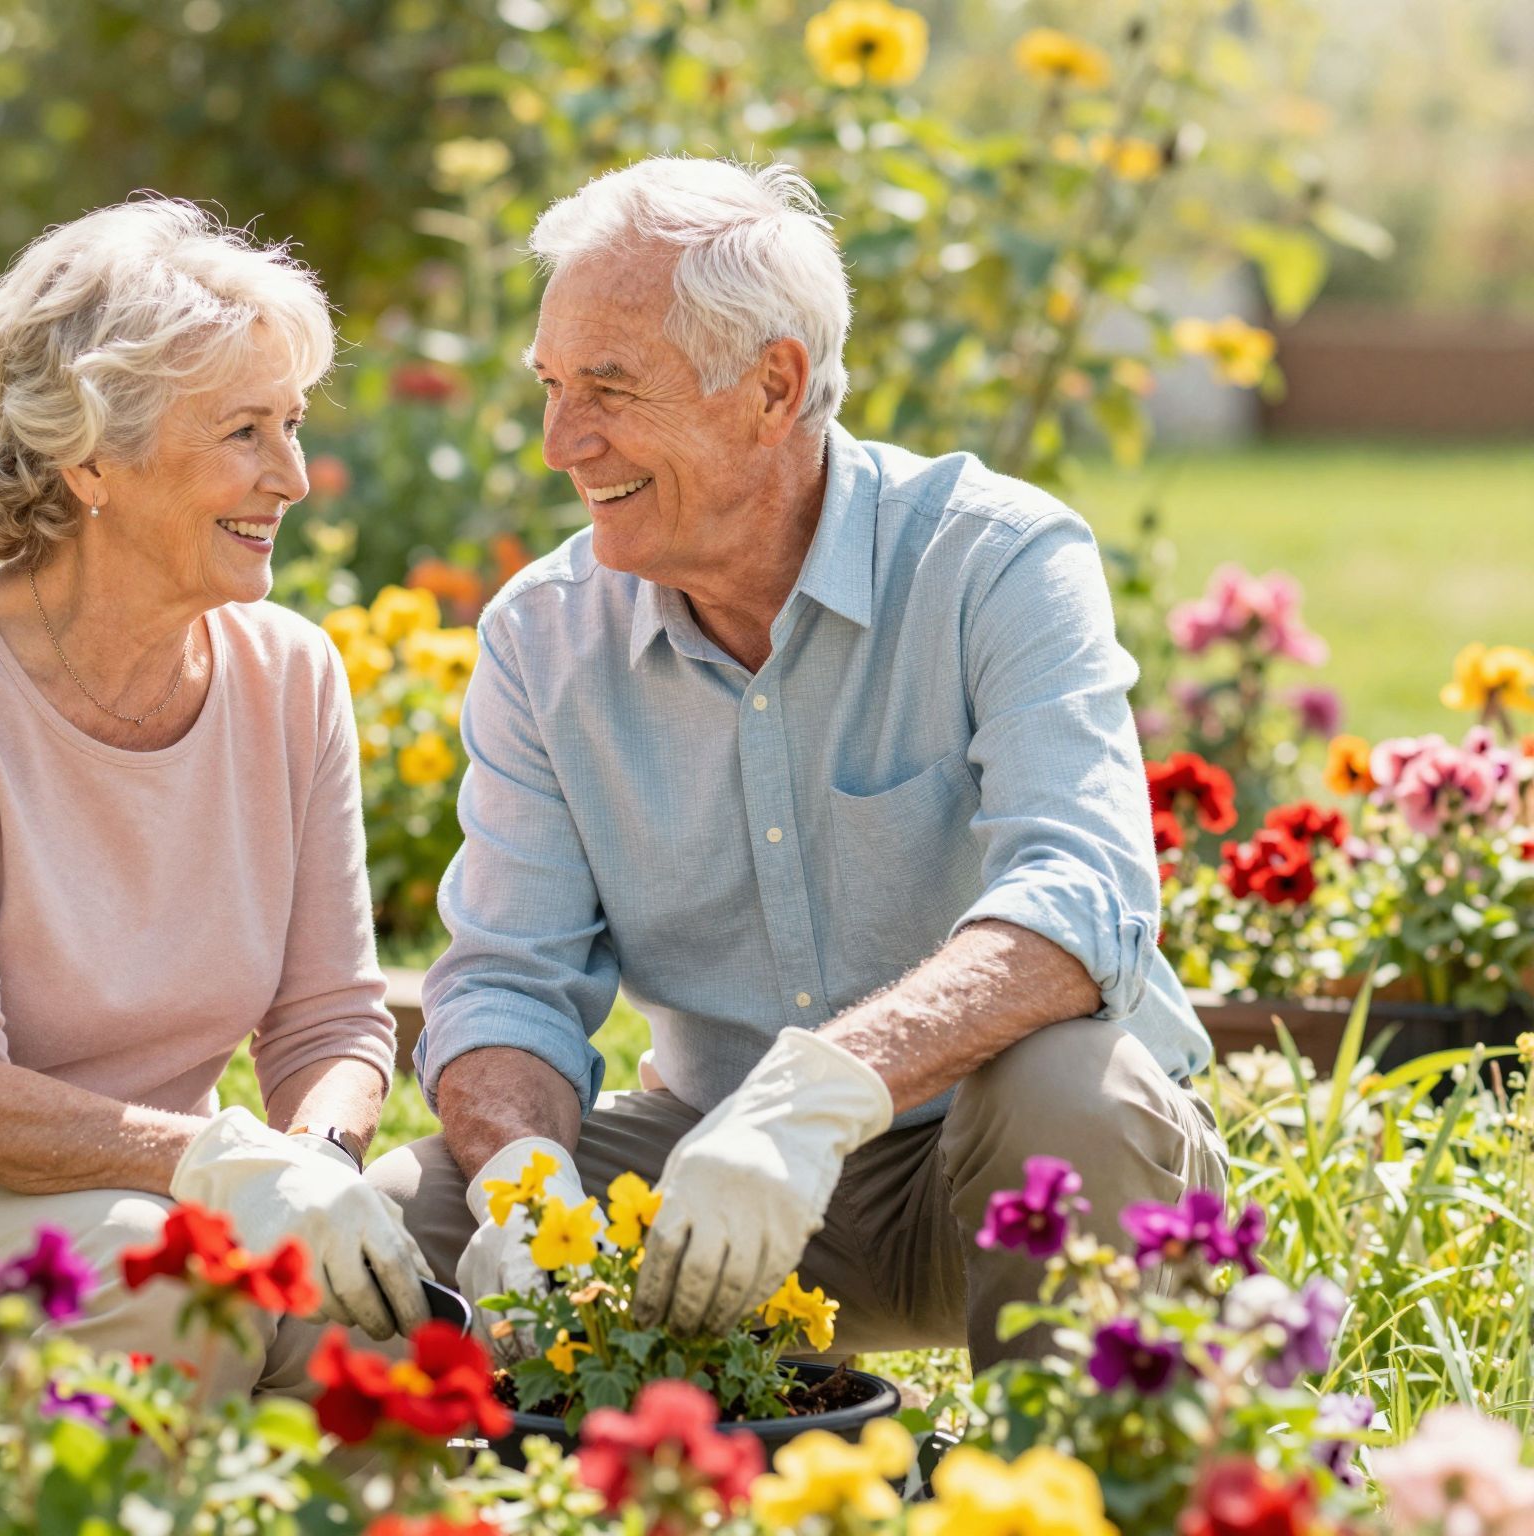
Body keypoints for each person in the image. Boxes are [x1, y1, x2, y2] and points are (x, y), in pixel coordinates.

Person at [367, 157, 1226, 1369]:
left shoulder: (994, 560)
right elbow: (507, 981)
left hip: (984, 1164)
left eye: (609, 386)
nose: (561, 441)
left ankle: (1090, 1484)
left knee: (1069, 1092)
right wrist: (520, 1179)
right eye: (552, 386)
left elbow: (1080, 898)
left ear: (770, 384)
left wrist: (814, 1097)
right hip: (719, 1184)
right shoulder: (542, 636)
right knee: (385, 1231)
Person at [0, 196, 432, 1394]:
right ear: (92, 457)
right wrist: (220, 1165)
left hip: (139, 1203)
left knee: (373, 1308)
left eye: (294, 424)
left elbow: (328, 1020)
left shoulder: (289, 673)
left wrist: (308, 1164)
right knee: (177, 1284)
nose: (296, 478)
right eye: (244, 433)